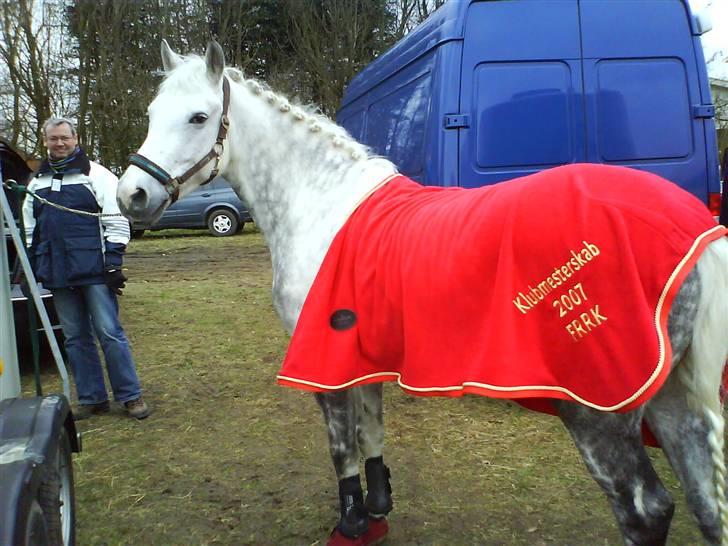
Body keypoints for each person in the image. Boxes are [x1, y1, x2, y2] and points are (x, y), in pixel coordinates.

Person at [21, 116, 150, 420]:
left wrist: (113, 262)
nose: (60, 143)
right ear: (46, 141)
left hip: (94, 271)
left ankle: (130, 396)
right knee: (75, 336)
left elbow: (116, 218)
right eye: (54, 139)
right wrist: (30, 265)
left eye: (65, 138)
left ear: (75, 138)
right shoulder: (36, 180)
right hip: (58, 272)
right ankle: (92, 398)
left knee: (109, 333)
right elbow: (30, 227)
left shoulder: (96, 174)